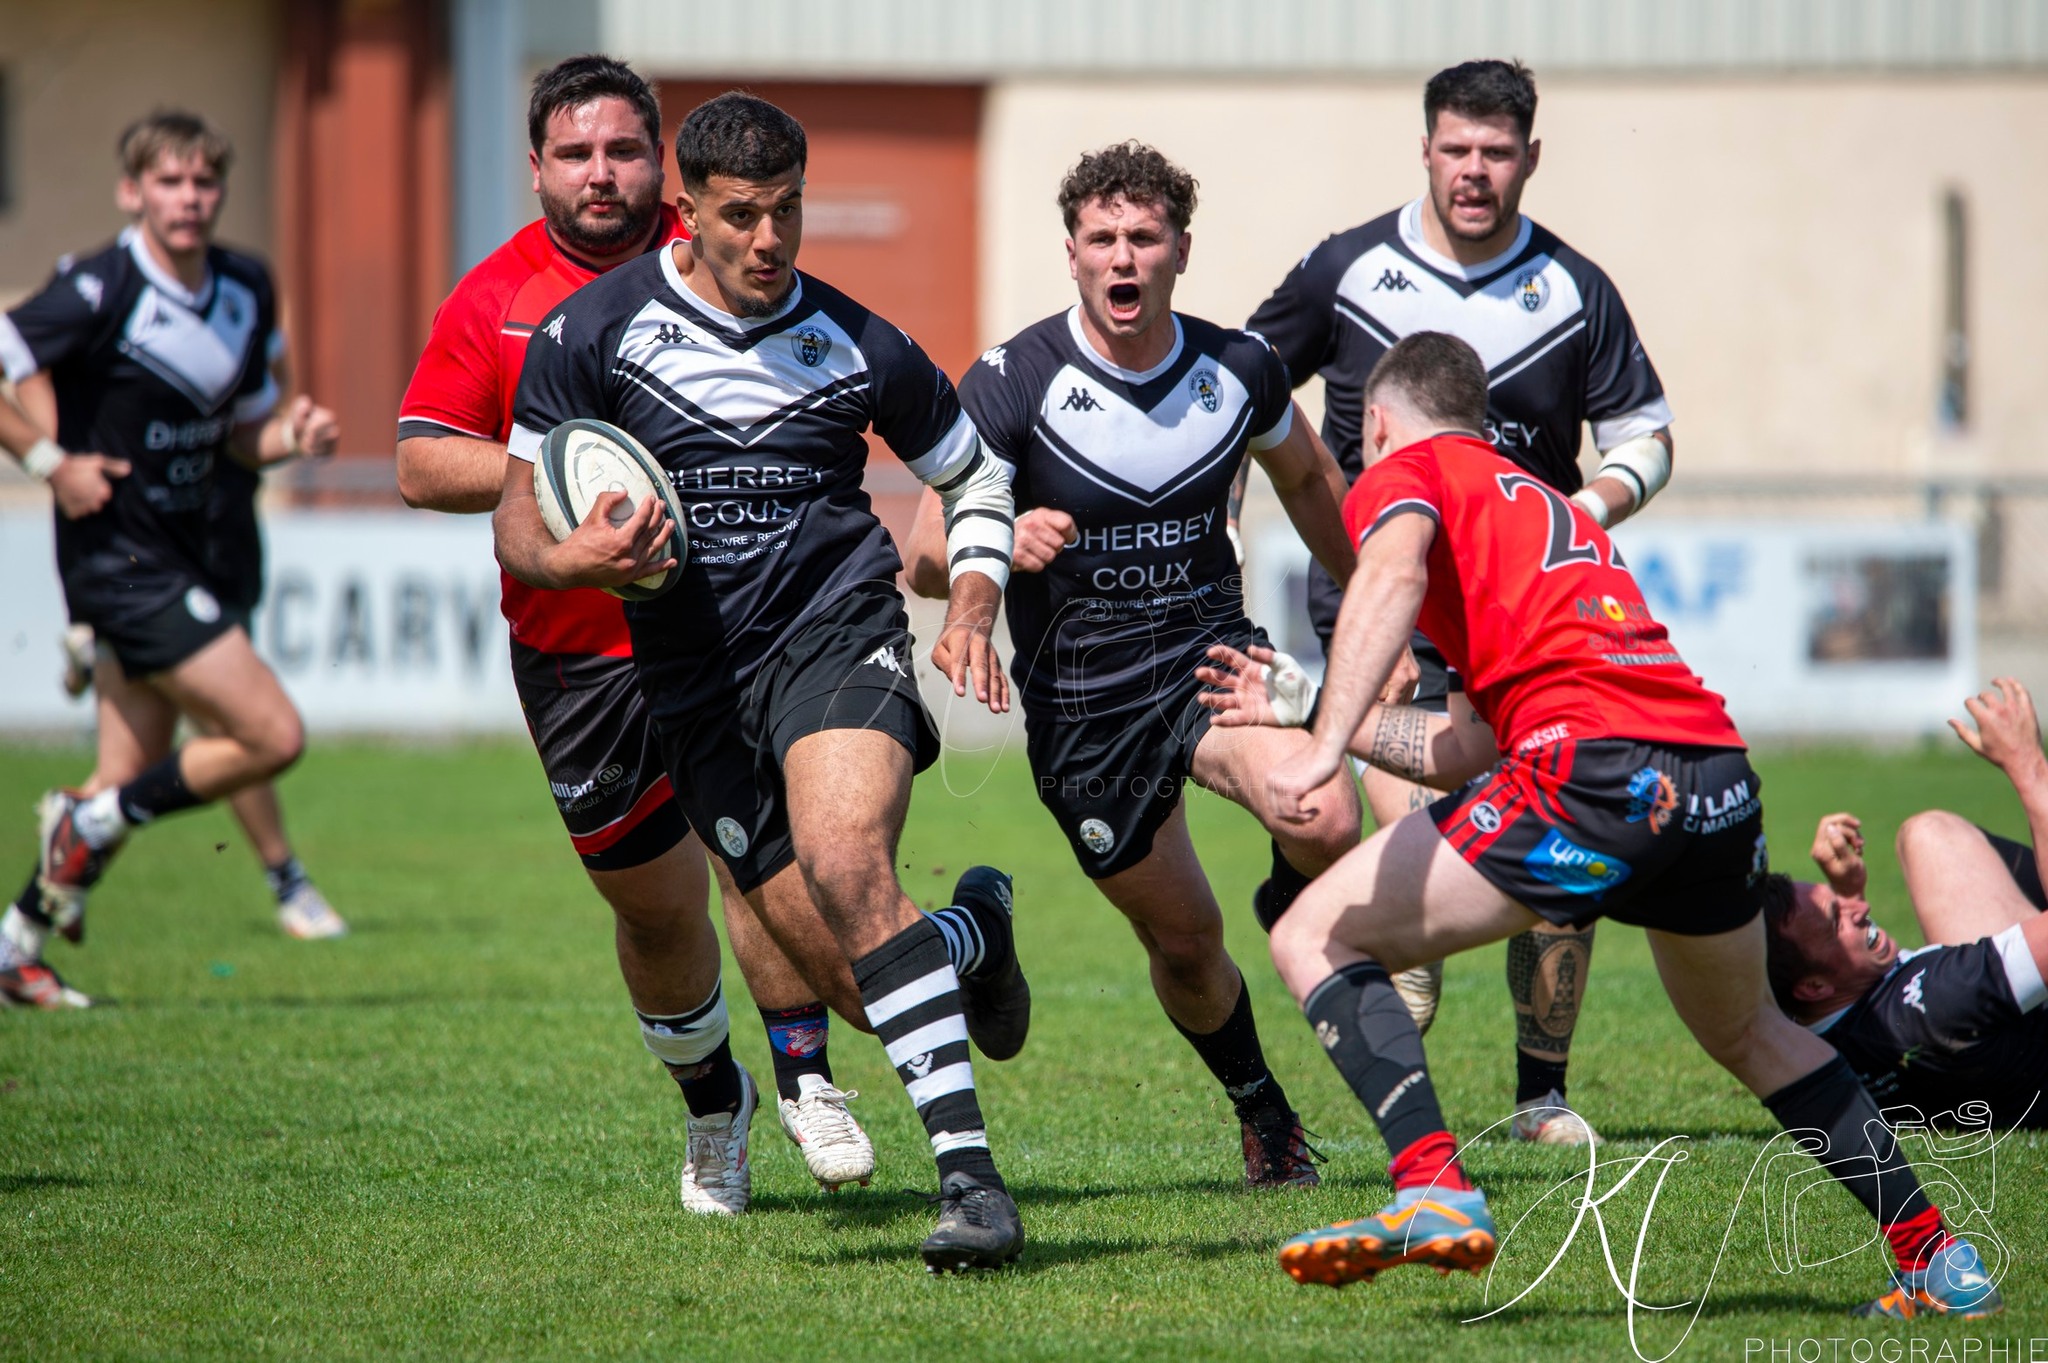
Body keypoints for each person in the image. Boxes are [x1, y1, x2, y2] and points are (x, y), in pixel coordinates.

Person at [1200, 331, 2003, 1319]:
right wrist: (1315, 702)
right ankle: (1937, 1260)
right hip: (1710, 774)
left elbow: (1389, 575)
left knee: (1310, 933)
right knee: (1751, 1031)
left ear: (1375, 420)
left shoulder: (1405, 471)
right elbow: (1462, 746)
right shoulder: (1533, 502)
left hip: (1593, 769)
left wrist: (1322, 746)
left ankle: (1429, 1185)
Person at [399, 56, 1018, 1211]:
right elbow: (515, 516)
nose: (770, 236)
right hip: (675, 670)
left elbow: (973, 472)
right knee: (829, 965)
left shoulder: (853, 337)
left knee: (845, 863)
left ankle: (969, 1183)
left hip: (830, 633)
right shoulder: (585, 331)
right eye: (742, 213)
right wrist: (569, 555)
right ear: (692, 212)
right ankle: (964, 941)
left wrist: (972, 597)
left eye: (788, 208)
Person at [1241, 58, 1679, 1144]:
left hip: (1525, 615)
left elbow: (1647, 440)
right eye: (1454, 149)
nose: (1472, 171)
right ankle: (1409, 992)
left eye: (1493, 152)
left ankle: (1539, 1093)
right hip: (1379, 600)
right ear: (1424, 149)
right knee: (1428, 818)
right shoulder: (1347, 269)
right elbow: (1245, 383)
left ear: (1529, 157)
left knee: (1560, 831)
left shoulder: (1573, 292)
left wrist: (1580, 510)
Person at [901, 142, 1356, 1185]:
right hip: (1083, 706)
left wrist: (1375, 609)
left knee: (1322, 812)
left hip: (1207, 656)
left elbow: (1309, 481)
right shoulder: (1013, 382)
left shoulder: (1236, 369)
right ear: (1070, 254)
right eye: (1101, 237)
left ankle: (1289, 903)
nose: (1122, 256)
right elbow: (923, 553)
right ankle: (1262, 1113)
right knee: (1188, 948)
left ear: (1178, 250)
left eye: (1142, 237)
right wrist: (999, 538)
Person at [0, 111, 343, 1007]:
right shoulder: (97, 289)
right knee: (273, 734)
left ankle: (15, 947)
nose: (189, 199)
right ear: (132, 191)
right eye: (169, 182)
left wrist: (289, 435)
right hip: (118, 560)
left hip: (185, 549)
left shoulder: (245, 284)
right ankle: (92, 822)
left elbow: (239, 436)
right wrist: (51, 462)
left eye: (203, 182)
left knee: (123, 775)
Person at [1763, 677, 2048, 1131]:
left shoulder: (1793, 1034)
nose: (1859, 909)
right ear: (1814, 986)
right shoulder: (1938, 999)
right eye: (1839, 919)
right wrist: (2027, 764)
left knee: (1927, 835)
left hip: (1965, 1056)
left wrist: (1847, 892)